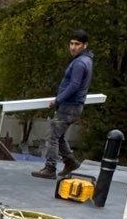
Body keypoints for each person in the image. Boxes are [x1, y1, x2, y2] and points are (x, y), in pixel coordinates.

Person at [32, 32, 92, 179]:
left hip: (69, 105)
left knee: (52, 136)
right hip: (74, 106)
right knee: (58, 136)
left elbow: (74, 85)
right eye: (71, 43)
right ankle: (70, 162)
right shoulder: (87, 60)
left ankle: (50, 168)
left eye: (77, 44)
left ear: (85, 45)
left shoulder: (79, 63)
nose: (73, 47)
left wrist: (58, 100)